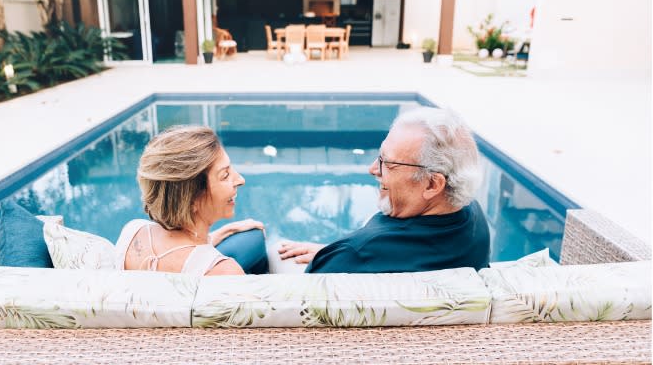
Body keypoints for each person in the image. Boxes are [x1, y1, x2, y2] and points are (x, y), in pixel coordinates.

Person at [277, 106, 490, 273]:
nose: (372, 169)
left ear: (433, 184)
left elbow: (296, 305)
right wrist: (333, 251)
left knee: (267, 248)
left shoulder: (357, 255)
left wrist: (342, 254)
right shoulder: (474, 220)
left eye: (387, 163)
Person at [115, 125, 268, 276]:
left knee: (253, 236)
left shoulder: (133, 232)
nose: (241, 180)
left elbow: (181, 256)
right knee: (255, 241)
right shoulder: (225, 272)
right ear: (192, 198)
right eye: (225, 175)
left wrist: (225, 231)